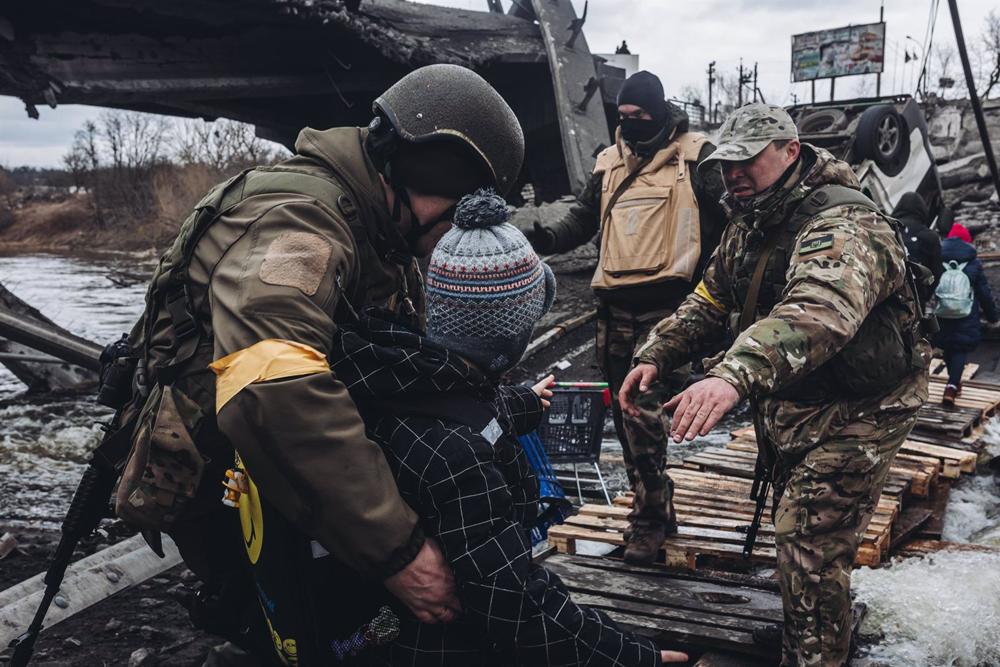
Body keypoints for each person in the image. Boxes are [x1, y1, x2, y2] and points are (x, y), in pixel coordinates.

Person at [122, 64, 526, 664]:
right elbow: (273, 388)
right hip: (234, 483)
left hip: (305, 485)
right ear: (423, 172)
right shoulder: (299, 226)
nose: (458, 231)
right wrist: (399, 552)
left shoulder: (378, 228)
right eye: (462, 207)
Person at [618, 103, 929, 667]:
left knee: (807, 535)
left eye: (748, 160)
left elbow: (821, 310)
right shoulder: (751, 221)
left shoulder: (844, 224)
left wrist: (732, 375)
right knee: (801, 537)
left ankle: (816, 655)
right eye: (726, 162)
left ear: (791, 152)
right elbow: (712, 298)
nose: (733, 174)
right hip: (799, 397)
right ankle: (807, 633)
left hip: (864, 408)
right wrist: (658, 351)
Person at [330, 188, 687, 665]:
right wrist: (635, 658)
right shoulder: (462, 458)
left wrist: (520, 403)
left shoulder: (393, 373)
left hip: (386, 636)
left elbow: (459, 407)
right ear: (511, 337)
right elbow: (517, 609)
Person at [527, 70, 727, 564]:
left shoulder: (698, 157)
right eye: (624, 116)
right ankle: (654, 506)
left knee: (640, 410)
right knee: (624, 414)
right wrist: (544, 238)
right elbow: (582, 219)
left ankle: (650, 517)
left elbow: (731, 224)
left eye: (640, 115)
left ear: (659, 112)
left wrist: (720, 296)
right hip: (613, 310)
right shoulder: (609, 162)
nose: (631, 124)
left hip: (669, 308)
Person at [934, 223, 998, 405]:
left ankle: (953, 382)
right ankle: (952, 386)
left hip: (942, 311)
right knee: (959, 348)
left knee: (948, 346)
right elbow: (984, 293)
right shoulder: (973, 263)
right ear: (966, 242)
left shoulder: (938, 260)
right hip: (966, 313)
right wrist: (992, 316)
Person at [892, 191, 943, 285]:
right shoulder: (930, 236)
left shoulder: (888, 230)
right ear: (922, 209)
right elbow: (937, 271)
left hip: (891, 289)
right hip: (918, 288)